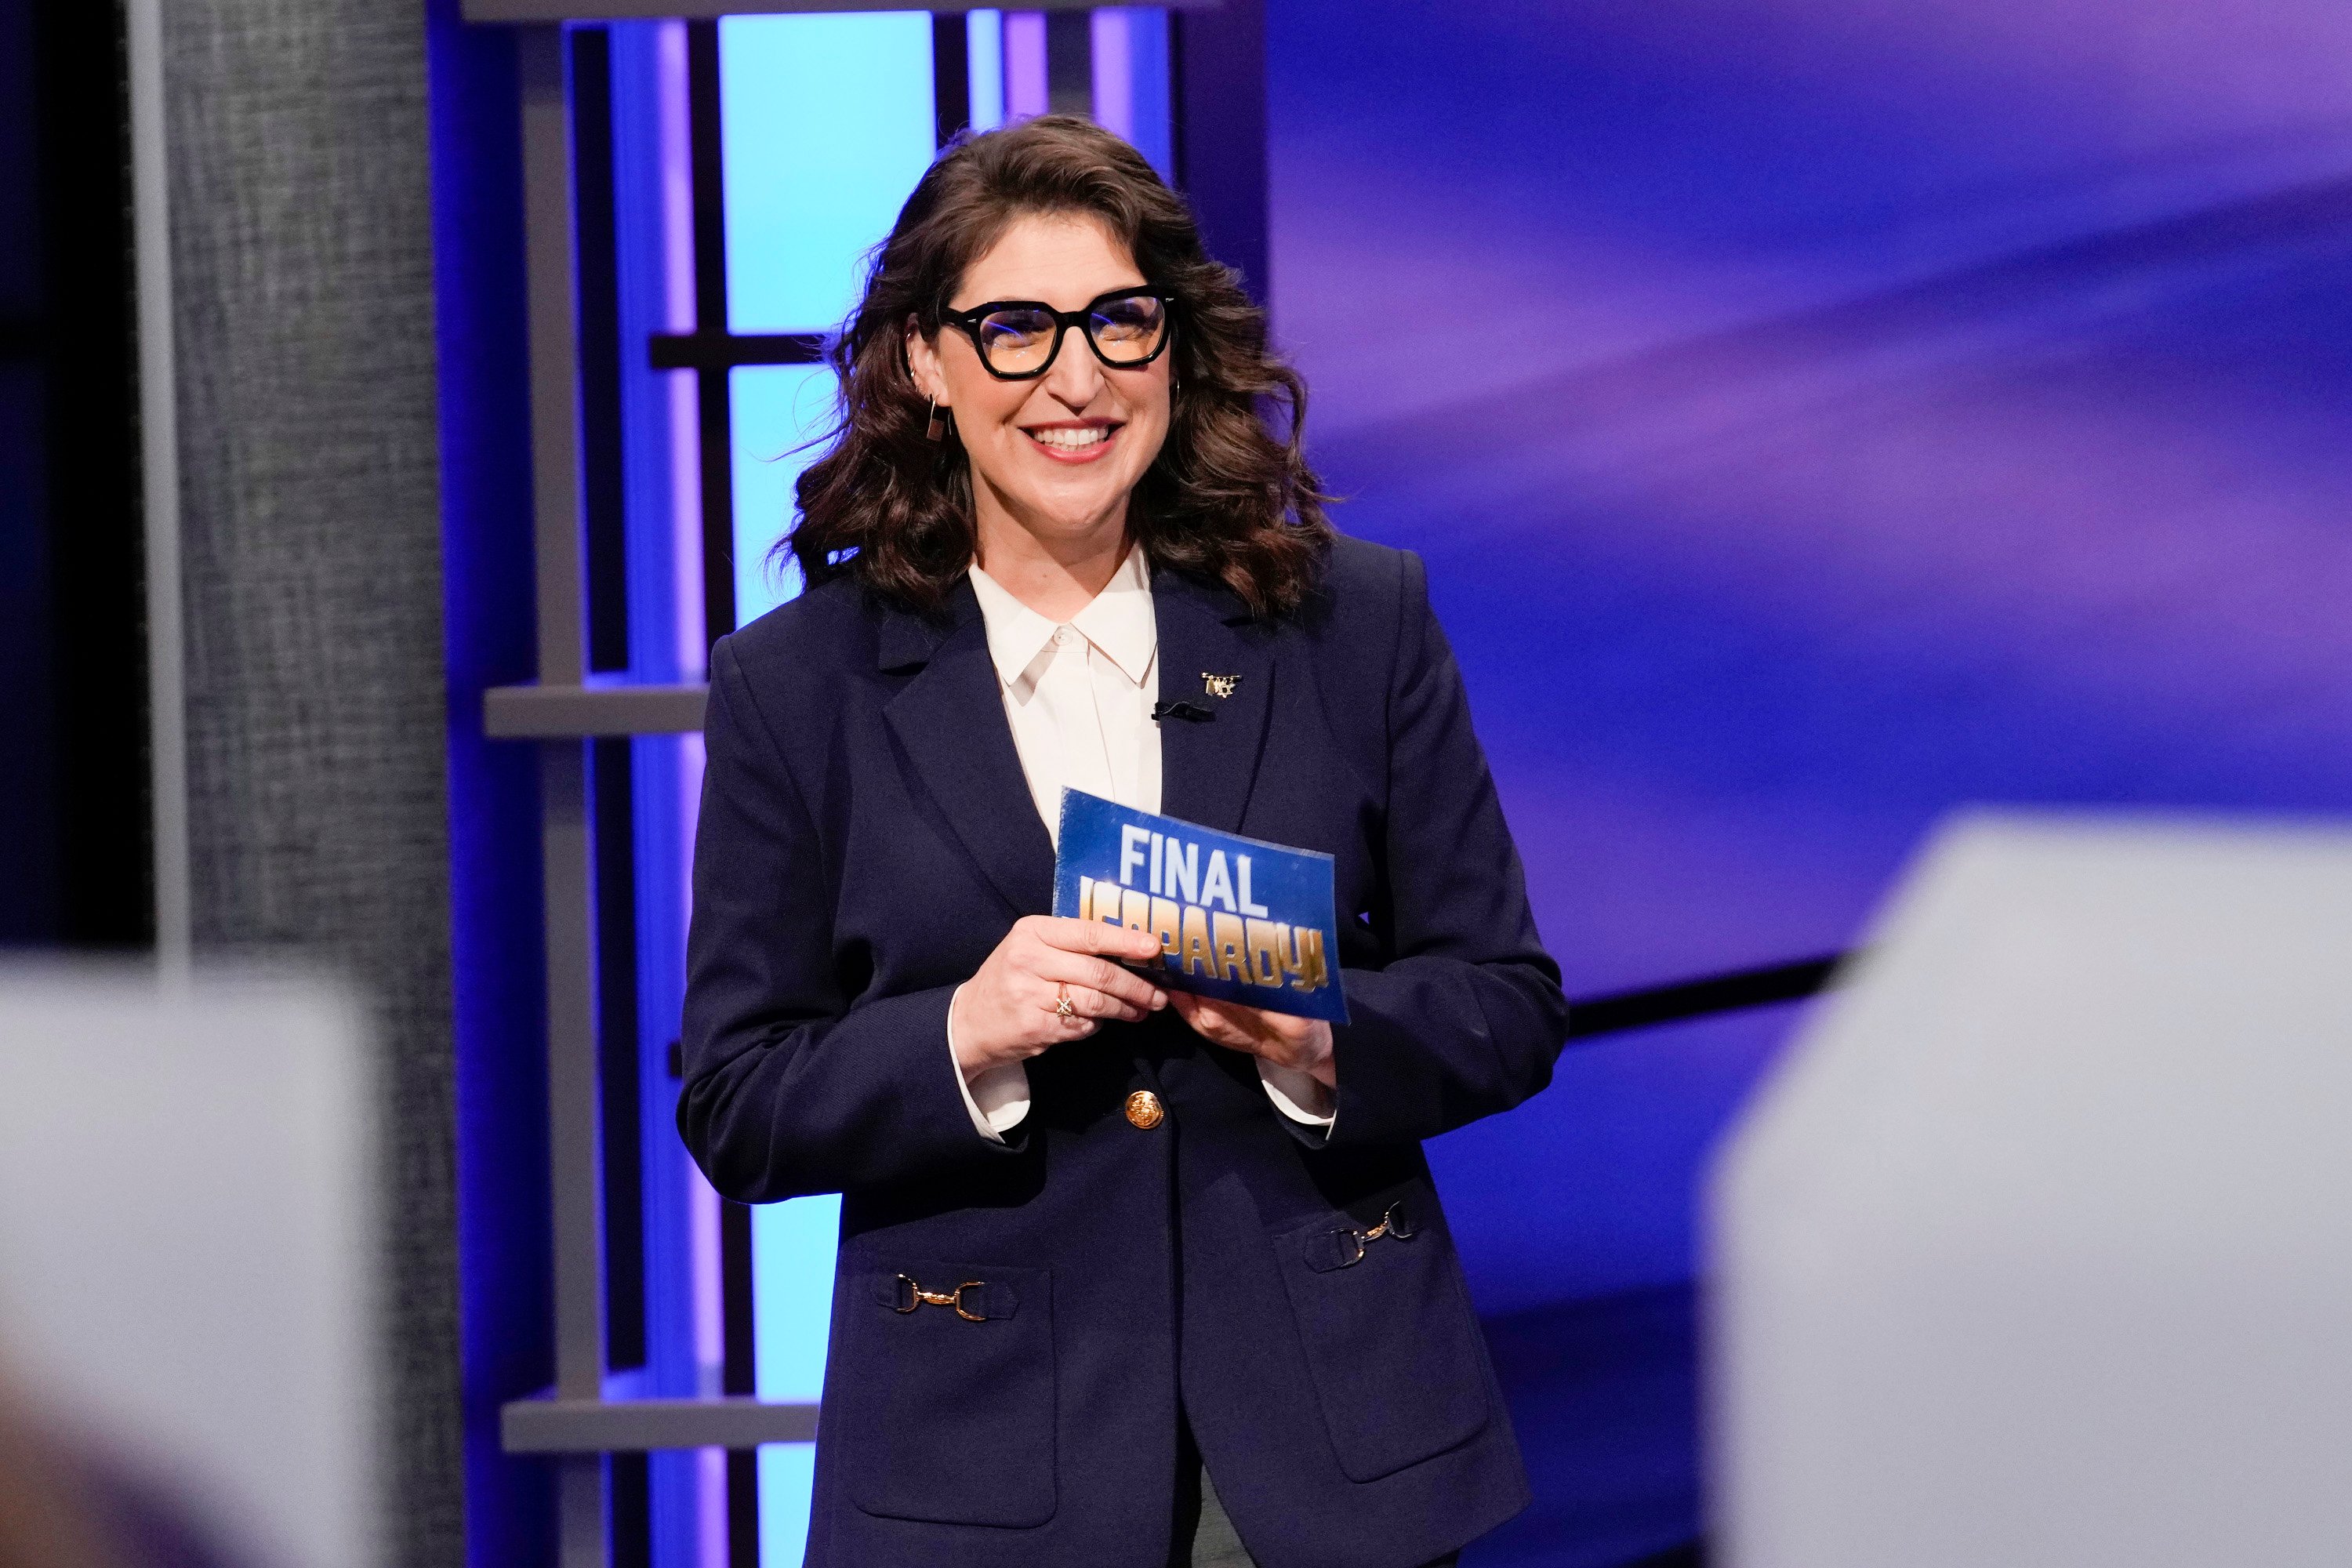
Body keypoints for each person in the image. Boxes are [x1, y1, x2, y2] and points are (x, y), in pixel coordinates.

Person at [680, 114, 1570, 1568]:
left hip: (1331, 1445)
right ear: (924, 359)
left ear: (1176, 345)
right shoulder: (801, 687)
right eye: (1017, 329)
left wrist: (1318, 1042)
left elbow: (1507, 1004)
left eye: (1118, 323)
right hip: (981, 1461)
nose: (1076, 380)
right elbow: (737, 1100)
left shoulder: (1354, 626)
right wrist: (963, 1034)